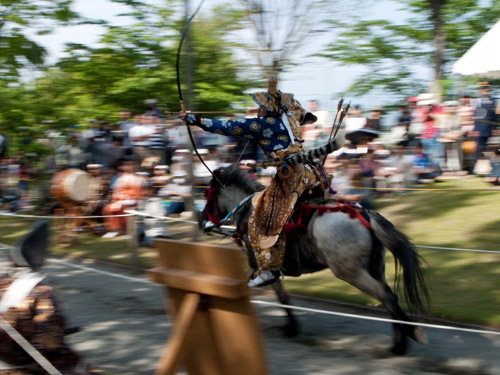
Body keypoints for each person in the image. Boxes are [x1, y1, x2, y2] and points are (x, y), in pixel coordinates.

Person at [180, 77, 328, 287]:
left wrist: (194, 120)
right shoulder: (292, 117)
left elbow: (228, 126)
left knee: (260, 221)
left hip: (292, 177)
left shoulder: (262, 124)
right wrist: (276, 97)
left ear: (269, 110)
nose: (257, 110)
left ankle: (268, 268)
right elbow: (299, 109)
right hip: (313, 174)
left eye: (261, 106)